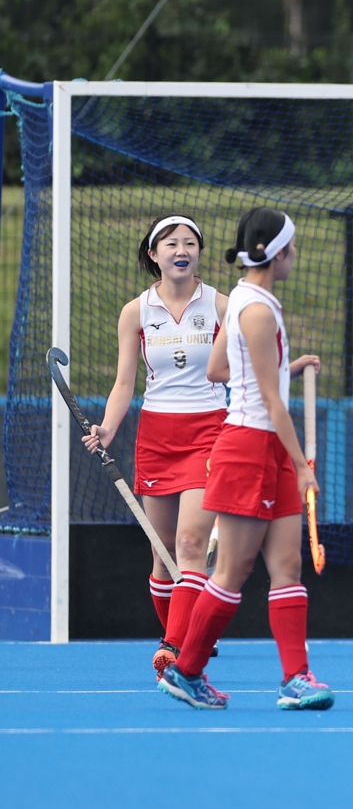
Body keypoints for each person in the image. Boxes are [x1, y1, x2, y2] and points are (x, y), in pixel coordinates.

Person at [156, 208, 332, 711]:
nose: (295, 256)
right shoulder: (255, 310)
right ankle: (186, 670)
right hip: (250, 446)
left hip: (267, 446)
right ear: (278, 253)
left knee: (288, 566)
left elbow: (219, 368)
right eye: (292, 248)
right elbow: (270, 402)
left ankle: (295, 678)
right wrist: (303, 466)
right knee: (232, 571)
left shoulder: (245, 301)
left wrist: (280, 368)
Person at [84, 216, 228, 676]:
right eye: (171, 244)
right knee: (162, 553)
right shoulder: (136, 311)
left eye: (189, 243)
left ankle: (175, 645)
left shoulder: (222, 305)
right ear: (153, 254)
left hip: (209, 433)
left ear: (199, 252)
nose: (181, 250)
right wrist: (108, 427)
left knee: (190, 543)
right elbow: (125, 381)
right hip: (157, 436)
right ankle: (186, 633)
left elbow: (249, 366)